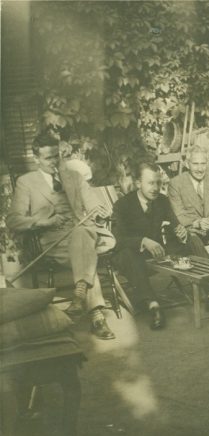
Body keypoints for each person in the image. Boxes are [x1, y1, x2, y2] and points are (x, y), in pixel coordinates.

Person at [7, 132, 116, 340]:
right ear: (36, 158)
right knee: (87, 254)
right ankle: (96, 315)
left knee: (82, 233)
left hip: (83, 232)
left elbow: (93, 205)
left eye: (56, 156)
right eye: (48, 158)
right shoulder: (26, 182)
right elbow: (14, 220)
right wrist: (43, 222)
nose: (54, 162)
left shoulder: (73, 177)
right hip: (52, 242)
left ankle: (80, 295)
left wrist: (100, 214)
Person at [112, 162, 200, 330]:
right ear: (138, 183)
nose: (155, 188)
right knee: (129, 256)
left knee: (193, 239)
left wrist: (181, 232)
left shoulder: (162, 201)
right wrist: (142, 241)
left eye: (159, 183)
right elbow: (117, 239)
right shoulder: (123, 205)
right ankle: (153, 305)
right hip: (131, 255)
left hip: (158, 251)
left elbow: (175, 225)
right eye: (151, 183)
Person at [168, 145, 209, 261]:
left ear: (207, 164)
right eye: (195, 164)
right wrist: (197, 223)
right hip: (191, 230)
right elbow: (179, 215)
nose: (200, 169)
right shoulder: (176, 183)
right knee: (193, 238)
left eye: (203, 164)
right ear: (187, 164)